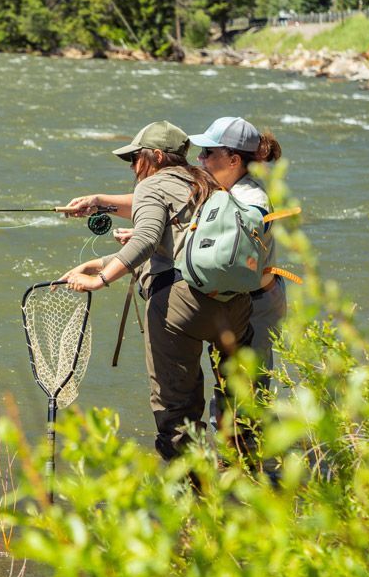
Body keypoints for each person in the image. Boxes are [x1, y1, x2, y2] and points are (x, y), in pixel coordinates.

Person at [60, 121, 253, 460]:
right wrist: (100, 259)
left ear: (158, 156)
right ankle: (241, 470)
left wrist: (100, 279)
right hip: (234, 303)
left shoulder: (152, 186)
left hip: (181, 307)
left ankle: (190, 485)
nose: (133, 166)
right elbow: (180, 246)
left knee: (176, 409)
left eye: (135, 158)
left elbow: (147, 239)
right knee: (235, 395)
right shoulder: (206, 182)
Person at [188, 116, 285, 381]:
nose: (200, 158)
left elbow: (250, 226)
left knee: (249, 391)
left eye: (208, 152)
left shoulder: (252, 199)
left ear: (233, 160)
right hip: (237, 299)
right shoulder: (224, 188)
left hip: (256, 304)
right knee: (227, 385)